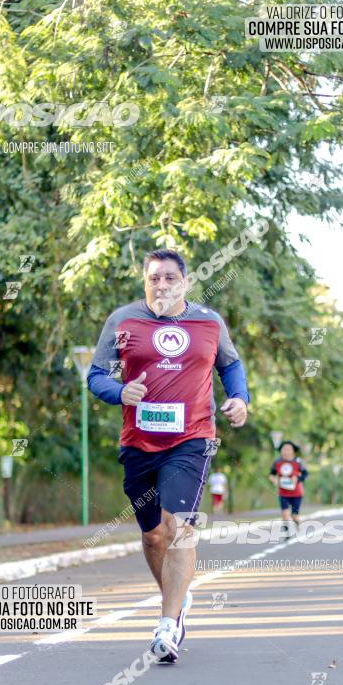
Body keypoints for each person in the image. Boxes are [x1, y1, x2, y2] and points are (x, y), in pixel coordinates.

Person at [87, 248, 249, 662]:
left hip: (192, 439)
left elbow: (229, 365)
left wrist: (239, 398)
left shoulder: (209, 322)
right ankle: (175, 602)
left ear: (185, 281)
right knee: (152, 534)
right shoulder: (122, 322)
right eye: (154, 278)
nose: (162, 285)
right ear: (145, 281)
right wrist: (120, 392)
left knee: (180, 527)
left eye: (170, 278)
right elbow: (96, 375)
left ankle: (166, 624)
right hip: (137, 443)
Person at [269, 441, 308, 537]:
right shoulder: (277, 462)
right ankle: (286, 532)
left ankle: (296, 522)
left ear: (293, 451)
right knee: (285, 512)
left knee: (294, 515)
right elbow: (271, 474)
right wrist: (274, 480)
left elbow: (305, 474)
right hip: (283, 492)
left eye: (288, 449)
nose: (286, 452)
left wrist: (297, 479)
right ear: (281, 451)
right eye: (284, 449)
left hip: (296, 493)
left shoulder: (298, 462)